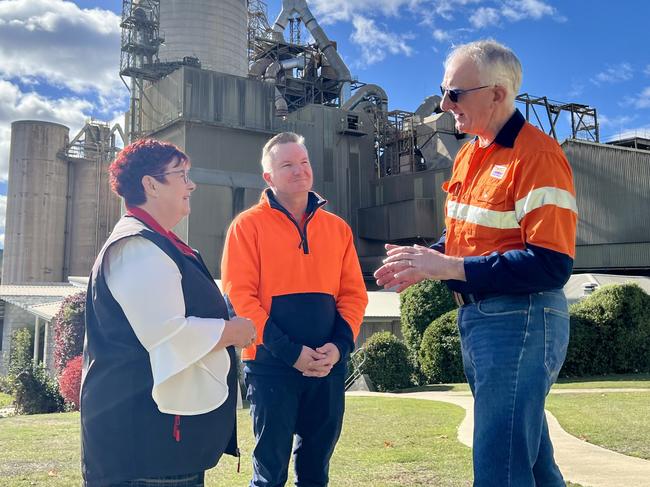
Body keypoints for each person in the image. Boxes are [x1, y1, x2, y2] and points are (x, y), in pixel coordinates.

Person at [374, 40, 577, 487]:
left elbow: (551, 263)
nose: (445, 105)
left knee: (499, 467)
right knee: (531, 463)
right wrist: (424, 260)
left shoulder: (537, 155)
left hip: (521, 320)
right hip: (485, 321)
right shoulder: (471, 153)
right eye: (443, 90)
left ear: (498, 94)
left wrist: (448, 268)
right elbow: (467, 235)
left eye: (455, 94)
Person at [81, 138, 256, 487]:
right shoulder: (137, 246)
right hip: (145, 451)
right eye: (181, 175)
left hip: (162, 446)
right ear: (150, 184)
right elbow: (169, 332)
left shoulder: (160, 243)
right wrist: (234, 332)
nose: (191, 184)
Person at [221, 132, 368, 487]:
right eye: (287, 164)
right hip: (271, 367)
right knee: (270, 473)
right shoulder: (247, 226)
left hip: (327, 366)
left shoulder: (338, 229)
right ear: (268, 177)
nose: (299, 170)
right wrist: (291, 353)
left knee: (316, 471)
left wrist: (337, 348)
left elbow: (354, 296)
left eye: (304, 162)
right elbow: (241, 298)